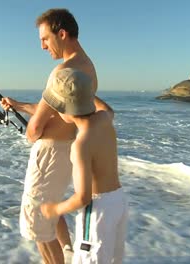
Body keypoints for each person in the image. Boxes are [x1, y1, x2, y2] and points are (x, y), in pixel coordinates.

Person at [0, 8, 113, 264]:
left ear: (61, 34)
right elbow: (58, 111)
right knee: (51, 211)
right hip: (66, 152)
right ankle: (68, 252)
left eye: (45, 39)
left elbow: (34, 129)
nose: (42, 46)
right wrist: (18, 106)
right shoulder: (87, 67)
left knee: (37, 224)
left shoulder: (61, 72)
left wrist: (30, 134)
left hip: (49, 155)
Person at [40, 69, 128, 264]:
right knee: (113, 258)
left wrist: (55, 209)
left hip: (98, 210)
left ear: (65, 109)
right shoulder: (103, 119)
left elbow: (82, 197)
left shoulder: (81, 145)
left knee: (89, 259)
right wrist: (83, 91)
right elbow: (108, 109)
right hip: (119, 202)